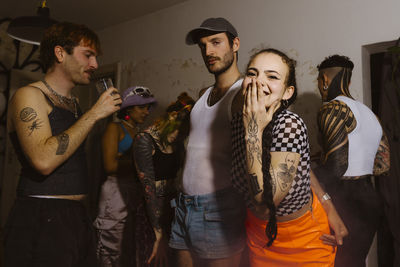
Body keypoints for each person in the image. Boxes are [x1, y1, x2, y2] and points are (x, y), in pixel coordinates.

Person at [3, 22, 122, 267]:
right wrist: (95, 113)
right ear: (60, 53)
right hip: (40, 214)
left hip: (76, 216)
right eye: (88, 55)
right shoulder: (29, 95)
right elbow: (43, 161)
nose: (95, 65)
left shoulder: (75, 103)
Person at [231, 48, 337, 266]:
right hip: (259, 236)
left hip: (303, 239)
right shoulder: (237, 122)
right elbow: (302, 167)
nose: (258, 81)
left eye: (272, 76)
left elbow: (265, 200)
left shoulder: (289, 124)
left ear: (287, 92)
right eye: (252, 73)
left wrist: (253, 130)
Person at [168, 17, 247, 267]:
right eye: (203, 46)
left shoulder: (245, 92)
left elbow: (273, 149)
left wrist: (325, 202)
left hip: (219, 208)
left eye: (215, 42)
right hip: (183, 205)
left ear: (235, 44)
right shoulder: (203, 95)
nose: (208, 52)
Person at [313, 55, 390, 267]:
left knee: (335, 262)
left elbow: (337, 167)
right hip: (369, 196)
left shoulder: (332, 108)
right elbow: (383, 165)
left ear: (325, 80)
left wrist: (304, 177)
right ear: (348, 82)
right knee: (355, 261)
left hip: (344, 197)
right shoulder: (370, 114)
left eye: (319, 81)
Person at [93, 86, 157, 267]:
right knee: (110, 248)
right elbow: (110, 165)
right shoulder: (115, 128)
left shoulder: (139, 133)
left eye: (148, 107)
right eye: (142, 107)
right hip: (114, 194)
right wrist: (140, 162)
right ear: (129, 108)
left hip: (133, 193)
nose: (146, 112)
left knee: (128, 249)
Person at [133, 92, 195, 267]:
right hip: (150, 212)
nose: (177, 135)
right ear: (171, 117)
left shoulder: (178, 143)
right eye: (176, 128)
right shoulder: (144, 139)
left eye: (182, 132)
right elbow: (148, 189)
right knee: (153, 259)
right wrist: (158, 232)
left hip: (173, 209)